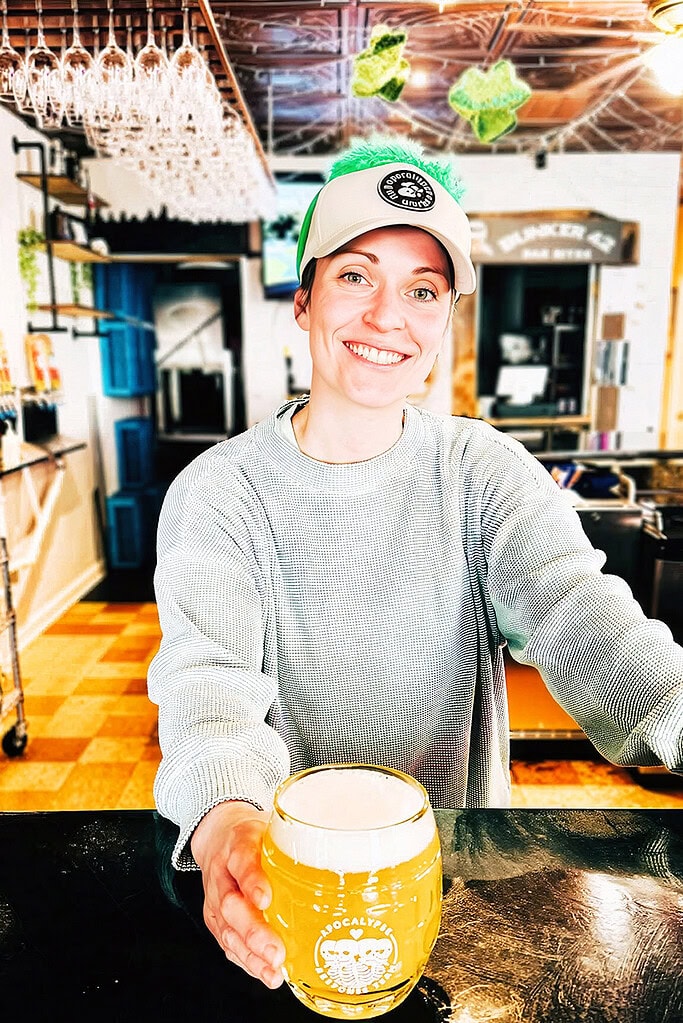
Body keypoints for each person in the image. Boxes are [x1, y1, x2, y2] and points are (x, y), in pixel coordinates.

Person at [147, 137, 683, 992]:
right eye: (356, 275)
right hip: (291, 892)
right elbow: (206, 684)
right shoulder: (221, 493)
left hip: (463, 887)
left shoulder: (482, 472)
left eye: (422, 290)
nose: (386, 315)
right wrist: (224, 824)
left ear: (443, 323)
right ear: (304, 295)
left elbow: (583, 615)